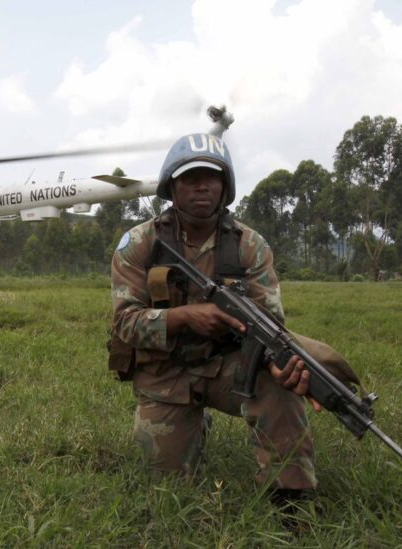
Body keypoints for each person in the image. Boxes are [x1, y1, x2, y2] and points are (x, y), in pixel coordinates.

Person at [109, 132, 320, 503]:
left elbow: (271, 323)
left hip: (230, 367)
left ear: (226, 186)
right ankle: (193, 424)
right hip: (166, 376)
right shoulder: (140, 243)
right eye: (190, 178)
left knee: (281, 386)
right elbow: (125, 323)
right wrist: (184, 317)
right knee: (166, 492)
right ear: (172, 187)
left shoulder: (249, 245)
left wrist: (277, 365)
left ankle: (290, 496)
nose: (201, 187)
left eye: (212, 177)